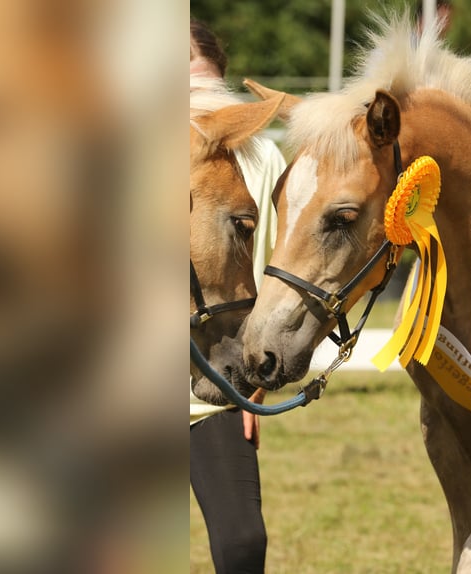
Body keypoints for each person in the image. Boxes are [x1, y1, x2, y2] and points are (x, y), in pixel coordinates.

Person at [190, 17, 286, 574]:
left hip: (207, 378)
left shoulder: (259, 159)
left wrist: (249, 384)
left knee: (242, 542)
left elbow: (265, 278)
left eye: (203, 87)